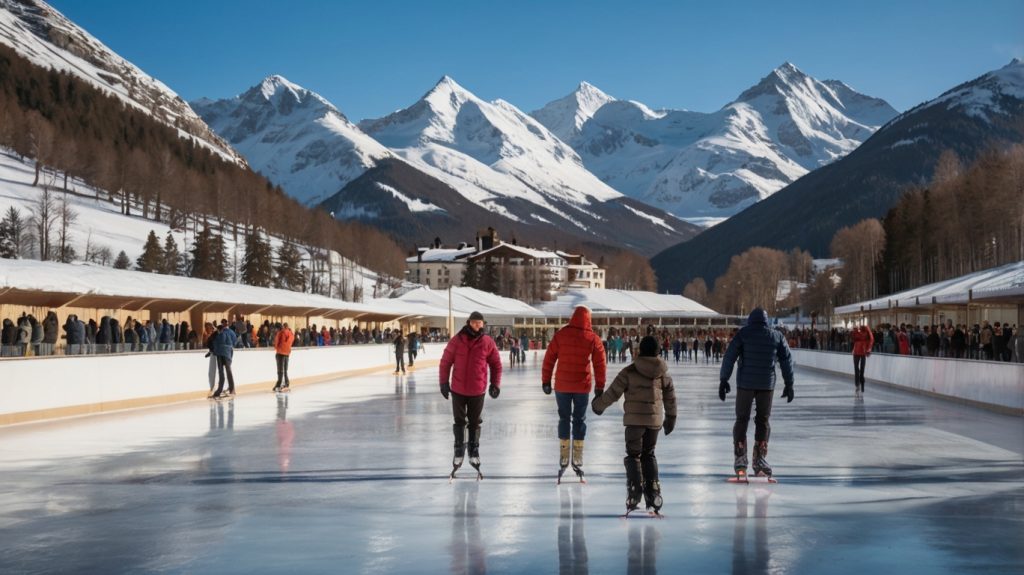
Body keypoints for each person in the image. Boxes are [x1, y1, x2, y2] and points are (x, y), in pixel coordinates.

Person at [591, 336, 677, 515]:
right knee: (649, 454)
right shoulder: (662, 373)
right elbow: (670, 397)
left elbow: (613, 392)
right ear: (657, 352)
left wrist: (598, 406)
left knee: (633, 455)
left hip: (634, 422)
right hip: (654, 422)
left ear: (639, 351)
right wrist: (671, 417)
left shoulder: (630, 371)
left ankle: (634, 492)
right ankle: (653, 493)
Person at [719, 308, 795, 479]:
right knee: (763, 420)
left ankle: (740, 457)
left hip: (745, 384)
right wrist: (789, 383)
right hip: (766, 385)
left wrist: (724, 380)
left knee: (742, 419)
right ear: (766, 321)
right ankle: (759, 459)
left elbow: (729, 356)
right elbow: (786, 360)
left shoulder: (743, 334)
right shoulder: (776, 336)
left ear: (750, 320)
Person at [541, 305, 607, 483]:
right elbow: (600, 363)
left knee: (564, 418)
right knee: (579, 419)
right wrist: (600, 386)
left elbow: (549, 358)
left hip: (562, 386)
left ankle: (564, 455)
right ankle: (577, 456)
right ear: (588, 319)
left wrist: (545, 381)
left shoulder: (561, 335)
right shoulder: (592, 338)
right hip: (581, 387)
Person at [439, 311, 502, 480]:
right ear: (468, 323)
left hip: (477, 390)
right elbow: (445, 361)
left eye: (479, 323)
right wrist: (443, 382)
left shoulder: (487, 342)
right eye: (474, 322)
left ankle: (474, 450)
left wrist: (495, 384)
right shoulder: (457, 340)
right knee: (459, 421)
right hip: (458, 389)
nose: (476, 325)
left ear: (483, 324)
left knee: (474, 422)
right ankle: (459, 450)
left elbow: (496, 364)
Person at [212, 320, 237, 399]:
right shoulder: (231, 332)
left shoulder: (219, 334)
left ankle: (219, 390)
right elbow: (234, 341)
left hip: (221, 354)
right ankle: (232, 389)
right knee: (228, 371)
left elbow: (216, 343)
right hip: (228, 353)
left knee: (221, 372)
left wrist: (214, 351)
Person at [851, 324, 874, 396]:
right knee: (857, 369)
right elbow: (853, 339)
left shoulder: (866, 330)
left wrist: (869, 349)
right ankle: (858, 384)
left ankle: (860, 383)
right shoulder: (857, 332)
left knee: (861, 369)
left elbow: (871, 339)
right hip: (858, 351)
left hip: (862, 351)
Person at [273, 322, 295, 392]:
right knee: (285, 370)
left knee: (280, 370)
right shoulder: (291, 334)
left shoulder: (280, 332)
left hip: (280, 353)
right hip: (287, 353)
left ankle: (280, 384)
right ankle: (286, 383)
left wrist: (276, 348)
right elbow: (291, 342)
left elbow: (276, 342)